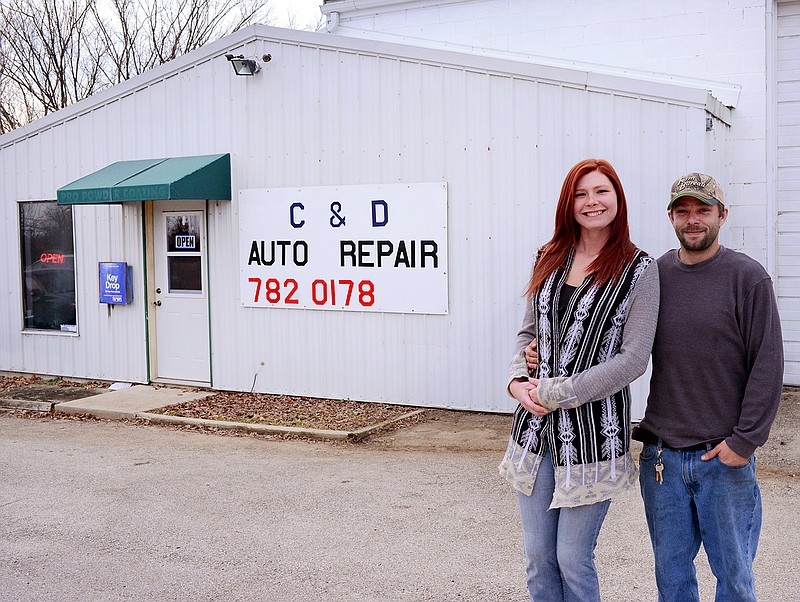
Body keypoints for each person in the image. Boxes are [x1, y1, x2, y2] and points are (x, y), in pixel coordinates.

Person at [498, 158, 660, 602]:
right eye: (581, 194)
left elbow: (633, 359)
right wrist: (516, 382)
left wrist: (556, 392)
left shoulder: (639, 269)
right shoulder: (548, 257)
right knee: (538, 558)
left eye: (601, 192)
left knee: (572, 557)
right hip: (535, 430)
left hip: (594, 434)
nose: (591, 202)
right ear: (568, 204)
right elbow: (527, 334)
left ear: (617, 199)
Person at [632, 173, 784, 601]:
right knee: (672, 580)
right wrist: (537, 351)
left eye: (703, 210)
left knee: (734, 580)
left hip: (723, 458)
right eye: (683, 211)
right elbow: (612, 337)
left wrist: (745, 442)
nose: (693, 219)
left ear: (722, 214)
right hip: (662, 458)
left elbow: (767, 366)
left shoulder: (747, 278)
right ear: (671, 217)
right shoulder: (654, 275)